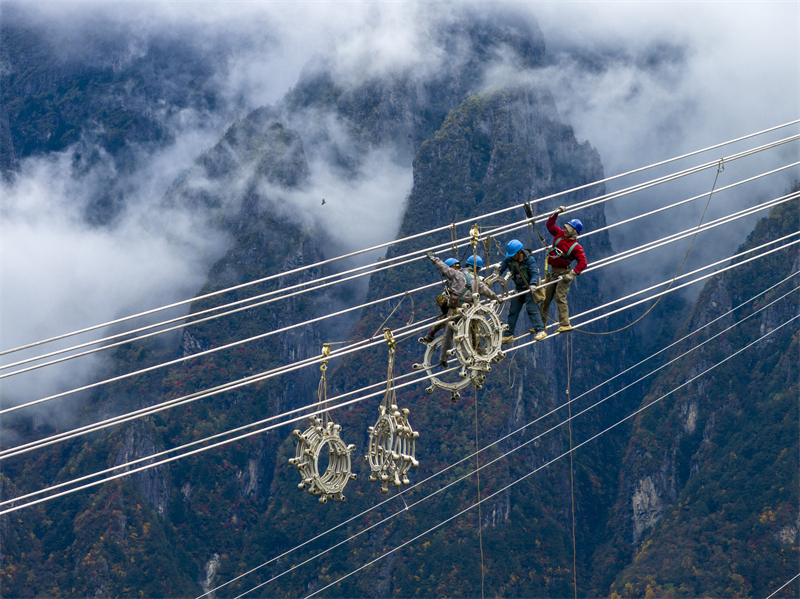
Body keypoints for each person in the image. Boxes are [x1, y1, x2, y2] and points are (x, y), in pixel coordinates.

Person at [426, 251, 499, 368]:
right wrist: (497, 298)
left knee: (448, 333)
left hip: (454, 308)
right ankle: (467, 358)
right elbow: (487, 291)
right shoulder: (476, 280)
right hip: (468, 311)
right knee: (467, 334)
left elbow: (443, 267)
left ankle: (443, 358)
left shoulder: (457, 275)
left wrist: (433, 258)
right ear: (478, 269)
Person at [540, 206, 587, 333]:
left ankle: (565, 324)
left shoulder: (576, 247)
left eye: (568, 229)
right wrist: (556, 213)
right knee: (546, 298)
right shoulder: (560, 234)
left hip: (564, 274)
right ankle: (541, 326)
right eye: (566, 228)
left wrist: (572, 274)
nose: (565, 230)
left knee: (560, 298)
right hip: (552, 272)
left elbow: (583, 263)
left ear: (573, 232)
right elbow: (549, 226)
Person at [496, 239, 547, 344]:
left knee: (531, 308)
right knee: (513, 311)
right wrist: (494, 277)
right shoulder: (509, 259)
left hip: (529, 288)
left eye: (513, 254)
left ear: (520, 252)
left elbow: (534, 273)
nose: (512, 256)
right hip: (518, 288)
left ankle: (540, 330)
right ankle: (508, 335)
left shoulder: (529, 260)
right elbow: (500, 269)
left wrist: (533, 284)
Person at [419, 257, 461, 344]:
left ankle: (431, 334)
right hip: (462, 306)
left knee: (444, 318)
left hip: (460, 308)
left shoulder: (457, 277)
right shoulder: (461, 276)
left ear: (452, 267)